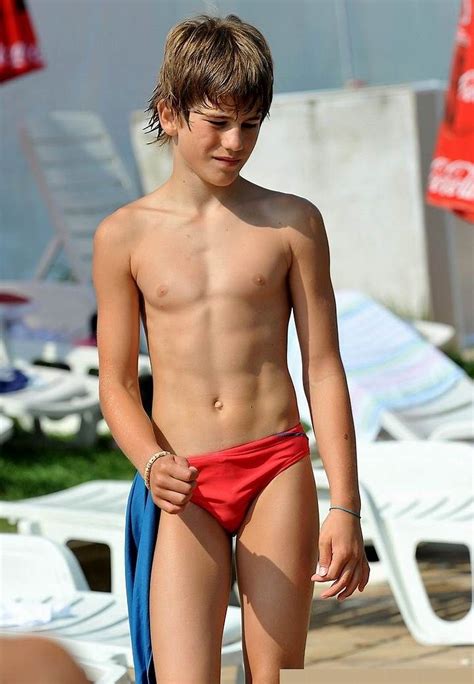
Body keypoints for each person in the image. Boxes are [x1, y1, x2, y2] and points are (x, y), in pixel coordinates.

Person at [92, 13, 370, 684]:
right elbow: (118, 385)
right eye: (217, 122)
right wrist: (150, 459)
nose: (236, 141)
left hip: (275, 465)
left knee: (276, 678)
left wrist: (346, 505)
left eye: (251, 124)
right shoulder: (123, 236)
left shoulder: (292, 224)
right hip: (182, 479)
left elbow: (324, 369)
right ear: (170, 111)